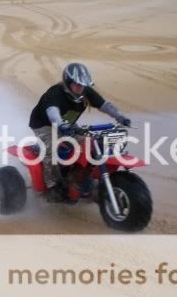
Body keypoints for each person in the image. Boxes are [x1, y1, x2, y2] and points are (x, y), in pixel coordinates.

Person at [29, 62, 131, 202]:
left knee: (90, 144)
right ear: (68, 83)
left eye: (83, 85)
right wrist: (61, 125)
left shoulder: (85, 92)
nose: (80, 87)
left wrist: (121, 116)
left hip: (67, 123)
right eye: (77, 84)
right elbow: (53, 113)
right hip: (44, 125)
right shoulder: (55, 93)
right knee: (50, 149)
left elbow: (104, 105)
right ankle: (53, 187)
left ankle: (79, 177)